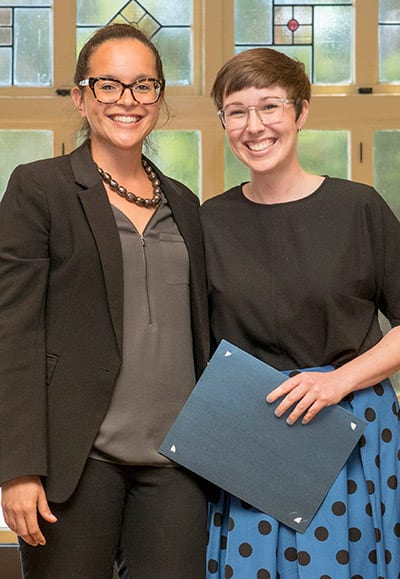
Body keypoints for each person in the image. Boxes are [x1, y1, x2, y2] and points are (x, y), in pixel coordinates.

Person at [0, 23, 209, 579]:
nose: (127, 100)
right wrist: (17, 468)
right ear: (81, 96)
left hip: (178, 467)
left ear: (159, 97)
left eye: (143, 85)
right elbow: (12, 332)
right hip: (75, 464)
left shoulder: (186, 203)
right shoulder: (38, 188)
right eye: (108, 85)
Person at [201, 47, 400, 578]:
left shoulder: (359, 207)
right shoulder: (207, 223)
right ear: (223, 122)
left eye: (270, 107)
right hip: (252, 435)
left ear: (301, 113)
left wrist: (337, 383)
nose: (254, 125)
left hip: (352, 431)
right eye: (236, 111)